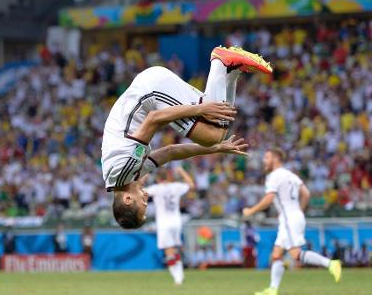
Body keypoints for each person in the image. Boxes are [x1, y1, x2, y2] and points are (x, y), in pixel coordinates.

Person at [102, 46, 272, 229]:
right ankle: (231, 71)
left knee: (211, 133)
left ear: (128, 199)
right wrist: (216, 148)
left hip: (149, 92)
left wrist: (200, 109)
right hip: (149, 90)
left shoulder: (123, 170)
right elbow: (170, 152)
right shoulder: (124, 176)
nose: (146, 199)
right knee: (216, 134)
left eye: (142, 204)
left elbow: (153, 119)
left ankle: (221, 63)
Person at [242, 148, 342, 295]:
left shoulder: (274, 176)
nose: (264, 161)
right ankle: (272, 289)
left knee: (295, 254)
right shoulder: (291, 175)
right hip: (293, 215)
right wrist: (298, 211)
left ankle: (331, 263)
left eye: (267, 157)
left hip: (289, 217)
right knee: (276, 254)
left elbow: (269, 199)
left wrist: (250, 211)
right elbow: (306, 194)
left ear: (276, 159)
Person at [146, 166, 195, 285]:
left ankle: (177, 277)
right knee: (174, 249)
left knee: (169, 251)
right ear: (168, 176)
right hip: (176, 221)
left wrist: (143, 177)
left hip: (164, 222)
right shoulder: (176, 186)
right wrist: (182, 171)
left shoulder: (155, 188)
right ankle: (180, 273)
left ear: (157, 178)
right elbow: (191, 186)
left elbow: (140, 193)